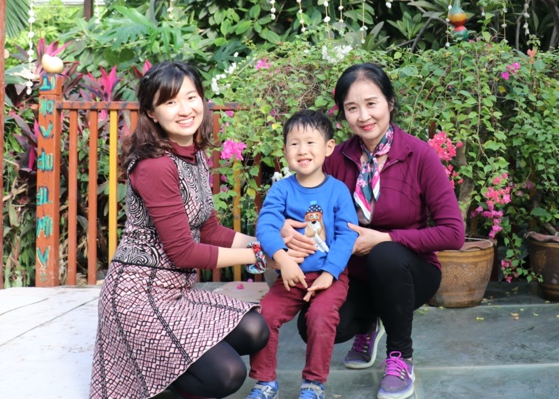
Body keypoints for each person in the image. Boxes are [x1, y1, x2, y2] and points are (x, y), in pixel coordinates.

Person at [89, 61, 272, 399]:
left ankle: (170, 363)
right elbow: (184, 252)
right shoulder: (155, 165)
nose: (185, 110)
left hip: (177, 294)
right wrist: (262, 255)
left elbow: (210, 230)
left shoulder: (193, 154)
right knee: (228, 374)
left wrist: (269, 242)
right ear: (152, 113)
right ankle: (158, 369)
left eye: (191, 97)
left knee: (255, 329)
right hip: (138, 299)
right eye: (171, 102)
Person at [284, 63, 465, 399]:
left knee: (385, 255)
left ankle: (400, 356)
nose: (364, 116)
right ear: (343, 114)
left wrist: (386, 238)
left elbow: (453, 233)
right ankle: (368, 323)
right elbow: (300, 199)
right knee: (313, 324)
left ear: (390, 102)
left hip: (409, 271)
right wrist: (285, 223)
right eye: (352, 108)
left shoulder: (419, 155)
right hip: (351, 273)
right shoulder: (336, 158)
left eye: (371, 103)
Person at [246, 110, 358, 399]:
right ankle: (265, 382)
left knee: (320, 317)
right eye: (294, 144)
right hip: (291, 275)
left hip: (329, 276)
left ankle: (313, 384)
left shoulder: (338, 191)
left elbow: (347, 235)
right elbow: (266, 225)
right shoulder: (281, 190)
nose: (302, 150)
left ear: (329, 147)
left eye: (310, 142)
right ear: (285, 151)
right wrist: (283, 259)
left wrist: (330, 273)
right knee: (265, 315)